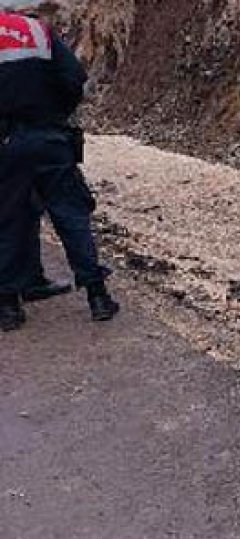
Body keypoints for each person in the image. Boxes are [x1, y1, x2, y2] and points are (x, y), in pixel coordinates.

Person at [0, 9, 118, 332]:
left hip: (6, 145)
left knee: (8, 217)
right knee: (70, 212)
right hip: (49, 136)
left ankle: (8, 306)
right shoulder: (36, 30)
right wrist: (54, 116)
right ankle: (97, 296)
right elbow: (74, 80)